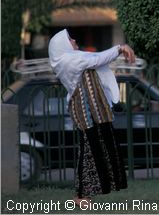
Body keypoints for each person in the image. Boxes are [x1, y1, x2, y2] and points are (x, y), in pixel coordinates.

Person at [48, 29, 136, 206]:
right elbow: (98, 59)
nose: (74, 40)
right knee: (88, 150)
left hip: (95, 111)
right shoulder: (68, 60)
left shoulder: (74, 57)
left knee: (94, 149)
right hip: (85, 112)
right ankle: (81, 196)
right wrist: (121, 47)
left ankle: (86, 194)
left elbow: (97, 60)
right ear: (62, 46)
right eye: (69, 39)